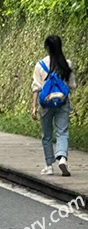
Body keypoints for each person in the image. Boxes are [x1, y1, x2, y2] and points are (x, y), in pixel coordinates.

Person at [32, 35, 77, 176]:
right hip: (62, 102)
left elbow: (36, 87)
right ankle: (62, 157)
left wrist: (33, 107)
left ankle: (49, 166)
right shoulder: (67, 64)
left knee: (47, 135)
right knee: (62, 132)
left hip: (45, 104)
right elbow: (72, 85)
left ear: (47, 48)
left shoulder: (40, 65)